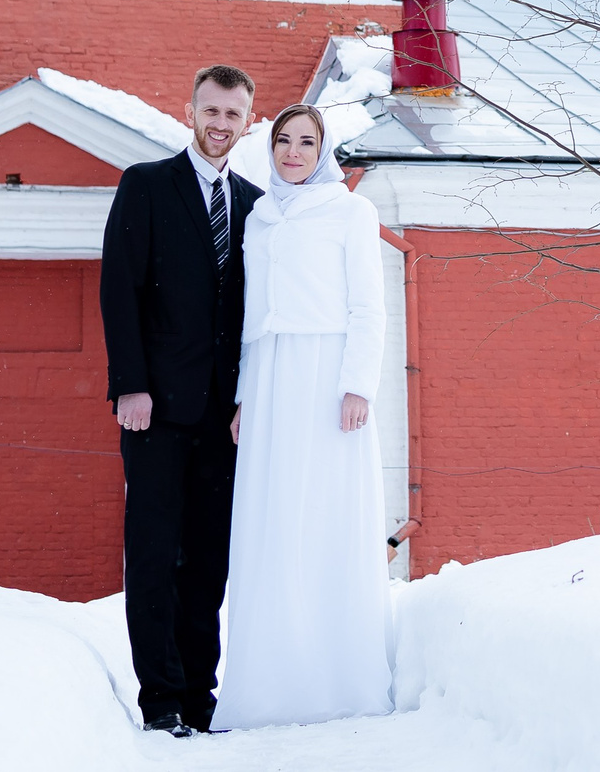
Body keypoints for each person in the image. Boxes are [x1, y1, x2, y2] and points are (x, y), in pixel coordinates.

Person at [212, 105, 393, 729]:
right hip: (268, 376)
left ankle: (335, 678)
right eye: (283, 140)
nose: (293, 151)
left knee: (324, 516)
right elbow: (247, 317)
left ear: (324, 149)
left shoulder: (350, 211)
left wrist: (357, 386)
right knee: (271, 520)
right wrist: (241, 394)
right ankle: (270, 687)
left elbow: (370, 305)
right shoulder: (258, 215)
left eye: (306, 142)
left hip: (325, 373)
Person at [98, 64, 261, 737]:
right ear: (189, 111)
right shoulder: (146, 187)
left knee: (208, 562)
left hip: (225, 419)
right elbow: (119, 289)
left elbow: (259, 312)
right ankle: (161, 698)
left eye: (233, 115)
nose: (221, 125)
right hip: (156, 409)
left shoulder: (256, 203)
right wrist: (130, 384)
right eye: (212, 111)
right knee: (157, 553)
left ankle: (200, 697)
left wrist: (252, 397)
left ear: (248, 121)